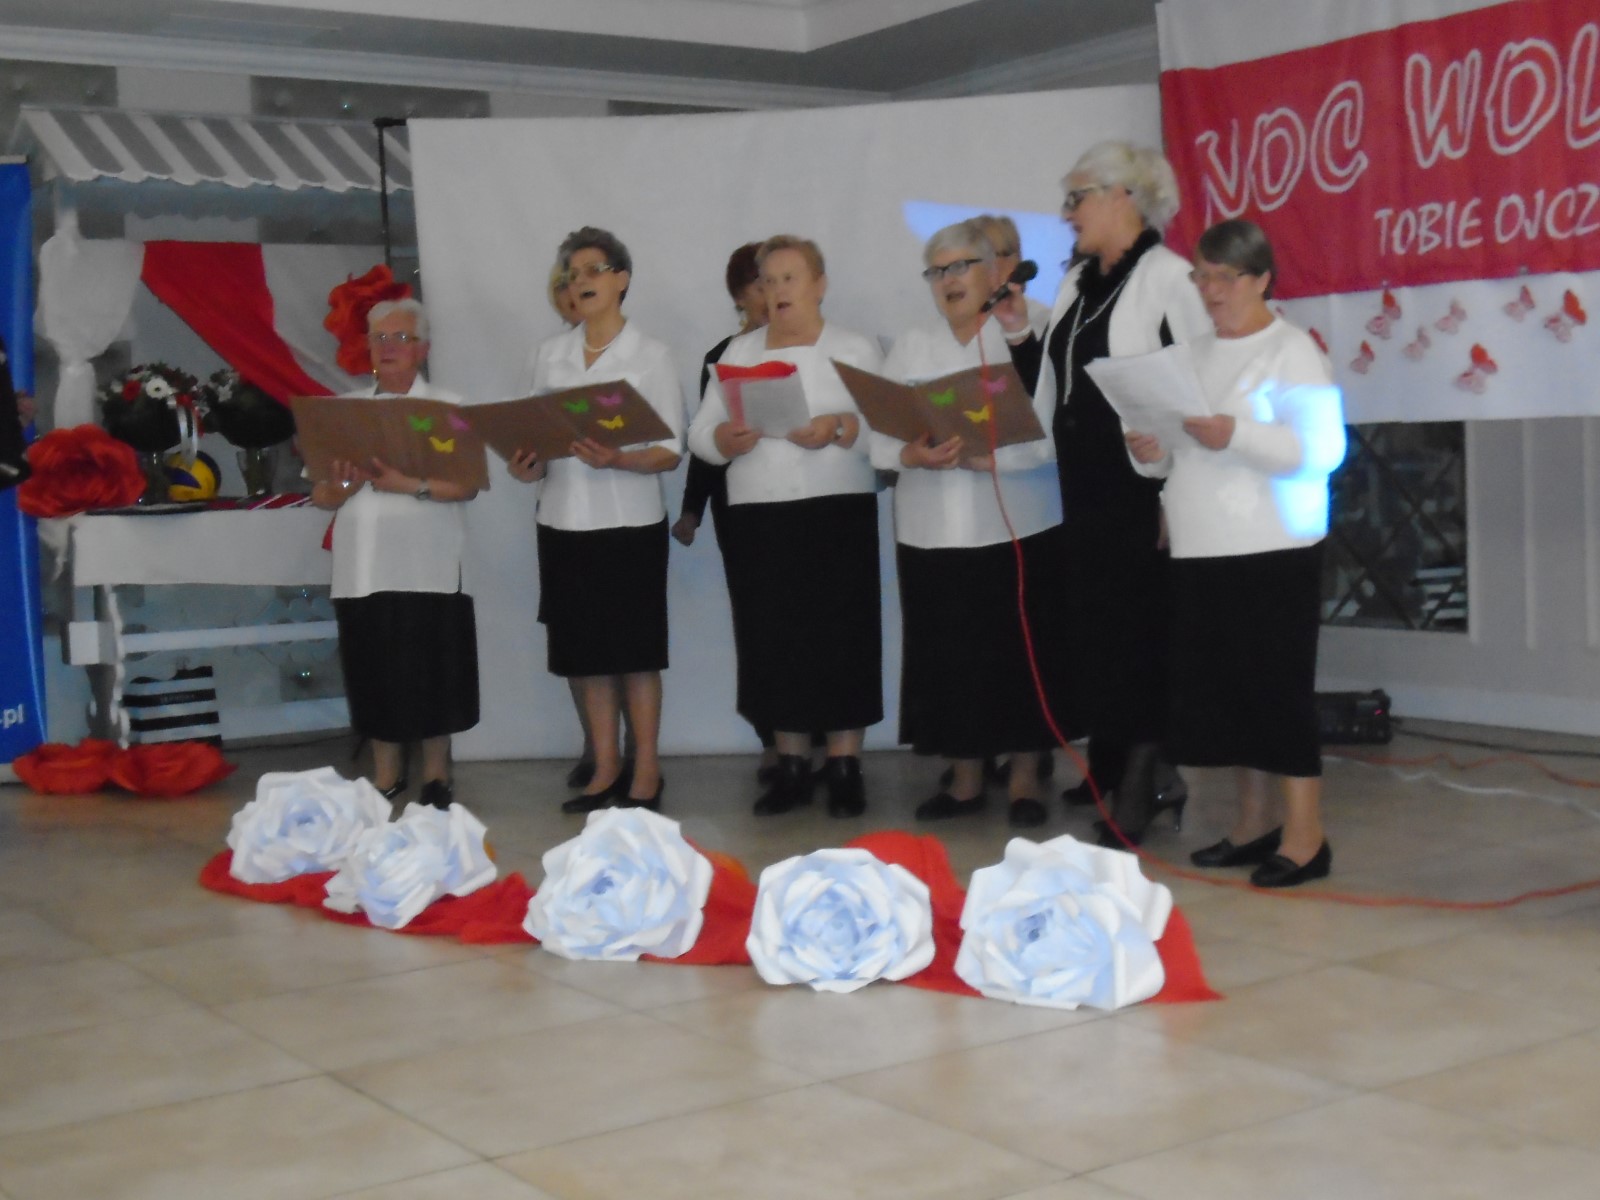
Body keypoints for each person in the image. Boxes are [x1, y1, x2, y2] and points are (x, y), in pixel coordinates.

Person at [997, 140, 1209, 846]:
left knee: (1140, 634)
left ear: (1124, 196)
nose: (1067, 214)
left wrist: (1173, 491)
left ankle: (1143, 780)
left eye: (1077, 198)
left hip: (1144, 488)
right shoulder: (1077, 283)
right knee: (1102, 635)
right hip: (1084, 485)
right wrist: (1020, 336)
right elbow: (1059, 387)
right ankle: (1129, 772)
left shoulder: (1169, 278)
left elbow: (1198, 390)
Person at [1125, 218, 1346, 887]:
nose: (1211, 290)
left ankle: (1306, 837)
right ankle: (1253, 825)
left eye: (1225, 277)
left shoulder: (1291, 350)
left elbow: (1322, 451)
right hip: (1201, 548)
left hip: (1271, 548)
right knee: (1232, 697)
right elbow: (1168, 460)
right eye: (1202, 276)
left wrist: (1237, 435)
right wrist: (1151, 451)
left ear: (1261, 279)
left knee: (1277, 696)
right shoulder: (1190, 355)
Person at [874, 220, 1068, 828]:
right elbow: (878, 441)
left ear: (993, 272)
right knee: (948, 658)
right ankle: (963, 780)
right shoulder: (912, 345)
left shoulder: (1026, 330)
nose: (948, 280)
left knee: (1019, 656)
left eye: (961, 266)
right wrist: (911, 454)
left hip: (1019, 525)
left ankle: (1025, 778)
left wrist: (991, 459)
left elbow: (1049, 435)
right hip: (930, 531)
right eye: (937, 271)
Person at [686, 234, 883, 817]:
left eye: (789, 278)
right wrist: (723, 439)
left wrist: (840, 426)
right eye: (768, 281)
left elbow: (887, 428)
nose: (777, 291)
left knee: (843, 635)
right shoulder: (739, 351)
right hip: (760, 513)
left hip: (837, 508)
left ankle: (845, 764)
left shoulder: (855, 346)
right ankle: (791, 764)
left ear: (820, 285)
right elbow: (700, 434)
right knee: (774, 638)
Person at [510, 227, 685, 813]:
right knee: (584, 655)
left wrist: (619, 459)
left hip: (630, 522)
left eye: (593, 270)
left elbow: (670, 450)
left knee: (635, 654)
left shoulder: (651, 354)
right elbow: (531, 444)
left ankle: (647, 768)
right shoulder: (548, 355)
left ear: (621, 279)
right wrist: (526, 463)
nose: (581, 282)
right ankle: (605, 765)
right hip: (563, 520)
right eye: (573, 274)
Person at [311, 299, 479, 807]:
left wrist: (407, 485)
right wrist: (342, 484)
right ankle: (385, 774)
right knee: (373, 668)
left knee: (434, 670)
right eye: (379, 338)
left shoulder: (448, 406)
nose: (388, 347)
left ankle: (436, 774)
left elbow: (466, 485)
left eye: (400, 338)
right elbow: (322, 495)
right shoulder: (343, 411)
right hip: (362, 565)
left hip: (428, 562)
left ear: (422, 349)